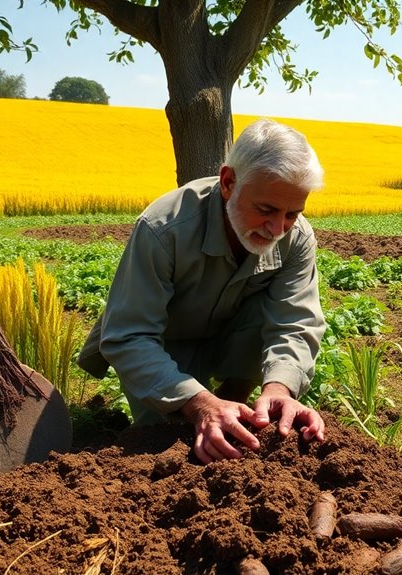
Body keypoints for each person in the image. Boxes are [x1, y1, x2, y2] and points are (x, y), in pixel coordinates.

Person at [77, 118, 327, 464]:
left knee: (228, 435)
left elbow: (295, 322)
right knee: (168, 444)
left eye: (292, 213)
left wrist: (279, 388)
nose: (277, 228)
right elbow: (129, 335)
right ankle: (207, 412)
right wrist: (198, 404)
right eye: (266, 210)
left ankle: (232, 407)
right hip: (165, 342)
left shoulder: (295, 236)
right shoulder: (164, 228)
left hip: (230, 335)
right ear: (228, 183)